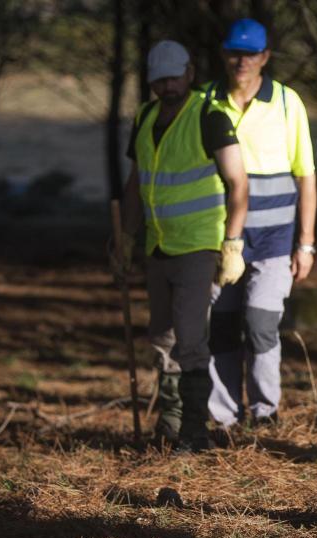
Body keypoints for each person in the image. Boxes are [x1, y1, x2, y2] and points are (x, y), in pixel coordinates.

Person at [111, 40, 248, 453]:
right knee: (162, 338)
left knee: (190, 339)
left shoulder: (210, 117)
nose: (166, 86)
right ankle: (169, 424)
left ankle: (195, 431)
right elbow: (137, 183)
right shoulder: (145, 117)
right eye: (159, 80)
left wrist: (232, 243)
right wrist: (126, 238)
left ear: (189, 74)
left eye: (173, 77)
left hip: (198, 246)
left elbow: (238, 183)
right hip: (158, 245)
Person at [203, 18, 317, 430]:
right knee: (222, 327)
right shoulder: (205, 100)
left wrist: (305, 244)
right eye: (235, 52)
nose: (241, 61)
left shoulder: (288, 102)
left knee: (260, 324)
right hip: (220, 236)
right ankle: (223, 418)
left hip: (275, 239)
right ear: (223, 54)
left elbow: (306, 175)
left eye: (250, 53)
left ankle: (265, 413)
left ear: (265, 57)